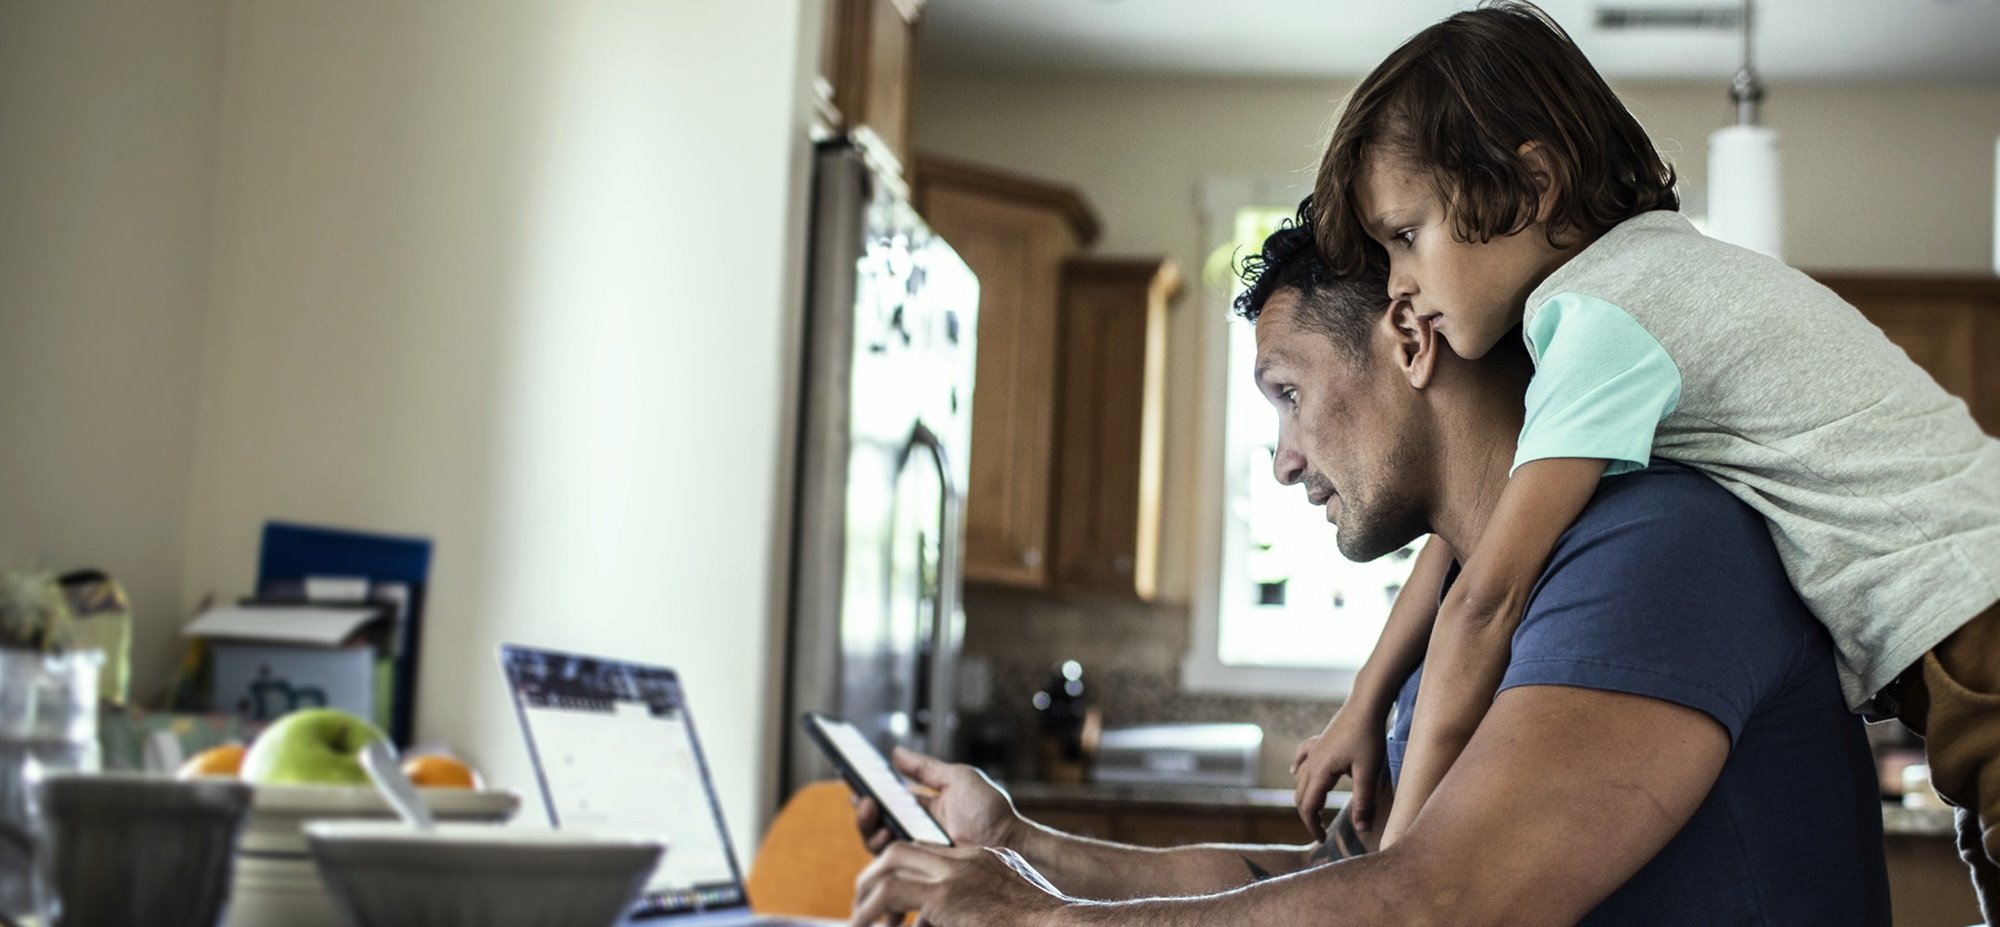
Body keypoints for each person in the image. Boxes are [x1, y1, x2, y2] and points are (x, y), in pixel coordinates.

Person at [846, 221, 1891, 925]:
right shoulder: (1461, 596)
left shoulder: (1658, 547)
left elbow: (1436, 903)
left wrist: (1039, 921)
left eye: (1287, 393)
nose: (1283, 457)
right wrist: (1022, 851)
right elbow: (1341, 883)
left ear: (1407, 340)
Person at [1288, 4, 2000, 915]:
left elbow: (1487, 597)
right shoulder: (1636, 288)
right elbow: (1479, 538)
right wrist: (1366, 695)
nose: (1397, 283)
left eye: (1405, 234)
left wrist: (1403, 871)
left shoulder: (1600, 320)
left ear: (1532, 182)